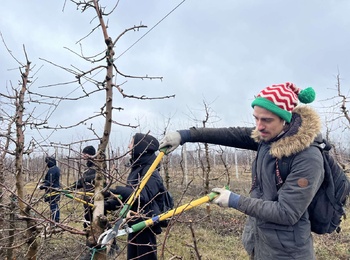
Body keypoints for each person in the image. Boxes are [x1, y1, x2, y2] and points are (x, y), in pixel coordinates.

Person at [159, 82, 324, 260]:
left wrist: (234, 200)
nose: (259, 126)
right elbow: (230, 134)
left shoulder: (307, 157)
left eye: (267, 120)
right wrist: (185, 135)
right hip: (261, 243)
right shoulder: (268, 136)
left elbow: (286, 212)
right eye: (256, 118)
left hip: (288, 253)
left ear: (285, 120)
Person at [104, 133, 166, 260]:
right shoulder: (138, 168)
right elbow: (130, 196)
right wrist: (110, 203)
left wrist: (114, 191)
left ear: (140, 146)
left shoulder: (150, 171)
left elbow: (141, 197)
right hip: (134, 220)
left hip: (145, 221)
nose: (128, 147)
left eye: (131, 143)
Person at [69, 145, 97, 228]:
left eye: (84, 154)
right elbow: (82, 181)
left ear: (89, 154)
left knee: (92, 218)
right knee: (88, 216)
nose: (82, 156)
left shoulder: (96, 166)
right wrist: (72, 187)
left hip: (93, 197)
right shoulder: (88, 167)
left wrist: (84, 179)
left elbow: (92, 178)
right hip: (87, 197)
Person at [40, 156, 61, 225]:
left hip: (53, 191)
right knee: (55, 205)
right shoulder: (56, 169)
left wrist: (42, 186)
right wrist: (44, 181)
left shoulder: (52, 170)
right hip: (55, 189)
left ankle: (55, 221)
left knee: (53, 205)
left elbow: (50, 182)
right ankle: (55, 219)